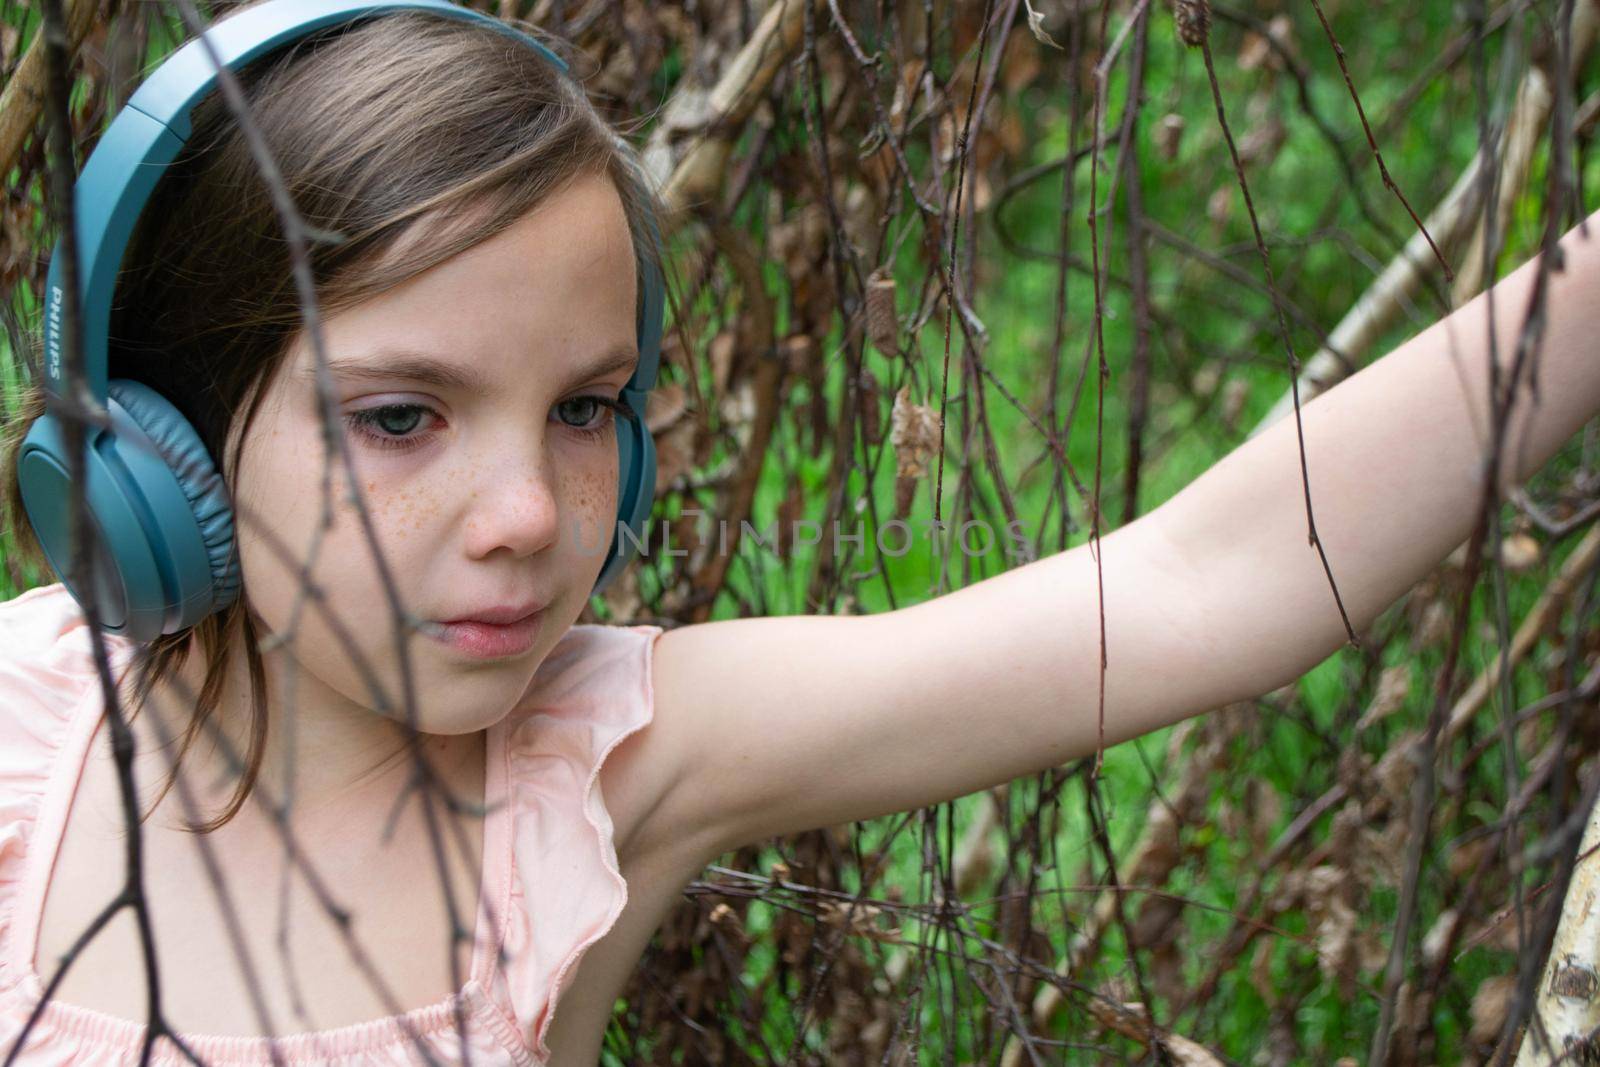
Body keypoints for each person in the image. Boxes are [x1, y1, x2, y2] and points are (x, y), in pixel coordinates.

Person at [1, 3, 1598, 1066]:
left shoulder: (614, 760)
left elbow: (1211, 577)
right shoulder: (25, 734)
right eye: (401, 416)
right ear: (154, 444)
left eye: (585, 410)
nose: (526, 518)